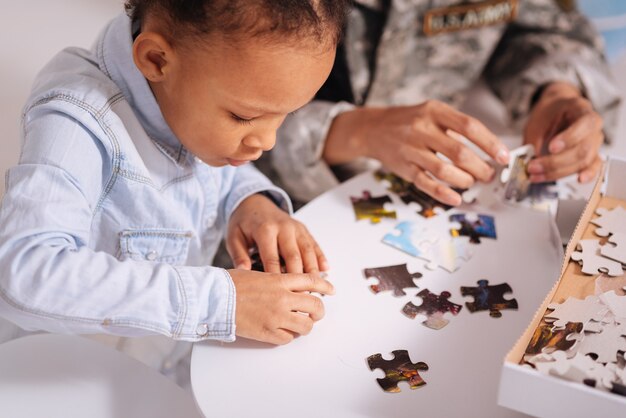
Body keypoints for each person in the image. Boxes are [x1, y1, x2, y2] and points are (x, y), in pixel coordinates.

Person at [0, 0, 351, 380]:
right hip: (61, 381)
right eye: (245, 117)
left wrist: (250, 200)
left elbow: (207, 167)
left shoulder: (188, 91)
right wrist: (222, 303)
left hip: (161, 366)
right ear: (156, 60)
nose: (267, 141)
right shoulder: (75, 121)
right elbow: (24, 273)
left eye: (287, 114)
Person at [266, 0, 622, 207]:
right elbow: (222, 120)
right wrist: (352, 131)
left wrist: (557, 89)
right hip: (271, 208)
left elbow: (538, 23)